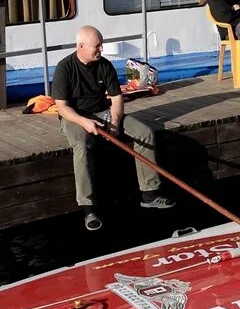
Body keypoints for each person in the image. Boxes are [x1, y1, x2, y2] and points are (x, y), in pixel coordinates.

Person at [52, 25, 175, 231]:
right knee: (82, 145)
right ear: (81, 46)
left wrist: (115, 123)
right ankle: (88, 207)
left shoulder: (104, 65)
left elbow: (117, 97)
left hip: (104, 112)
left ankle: (149, 193)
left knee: (145, 133)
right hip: (75, 116)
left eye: (101, 45)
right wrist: (85, 122)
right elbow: (62, 108)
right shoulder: (64, 68)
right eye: (97, 46)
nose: (101, 49)